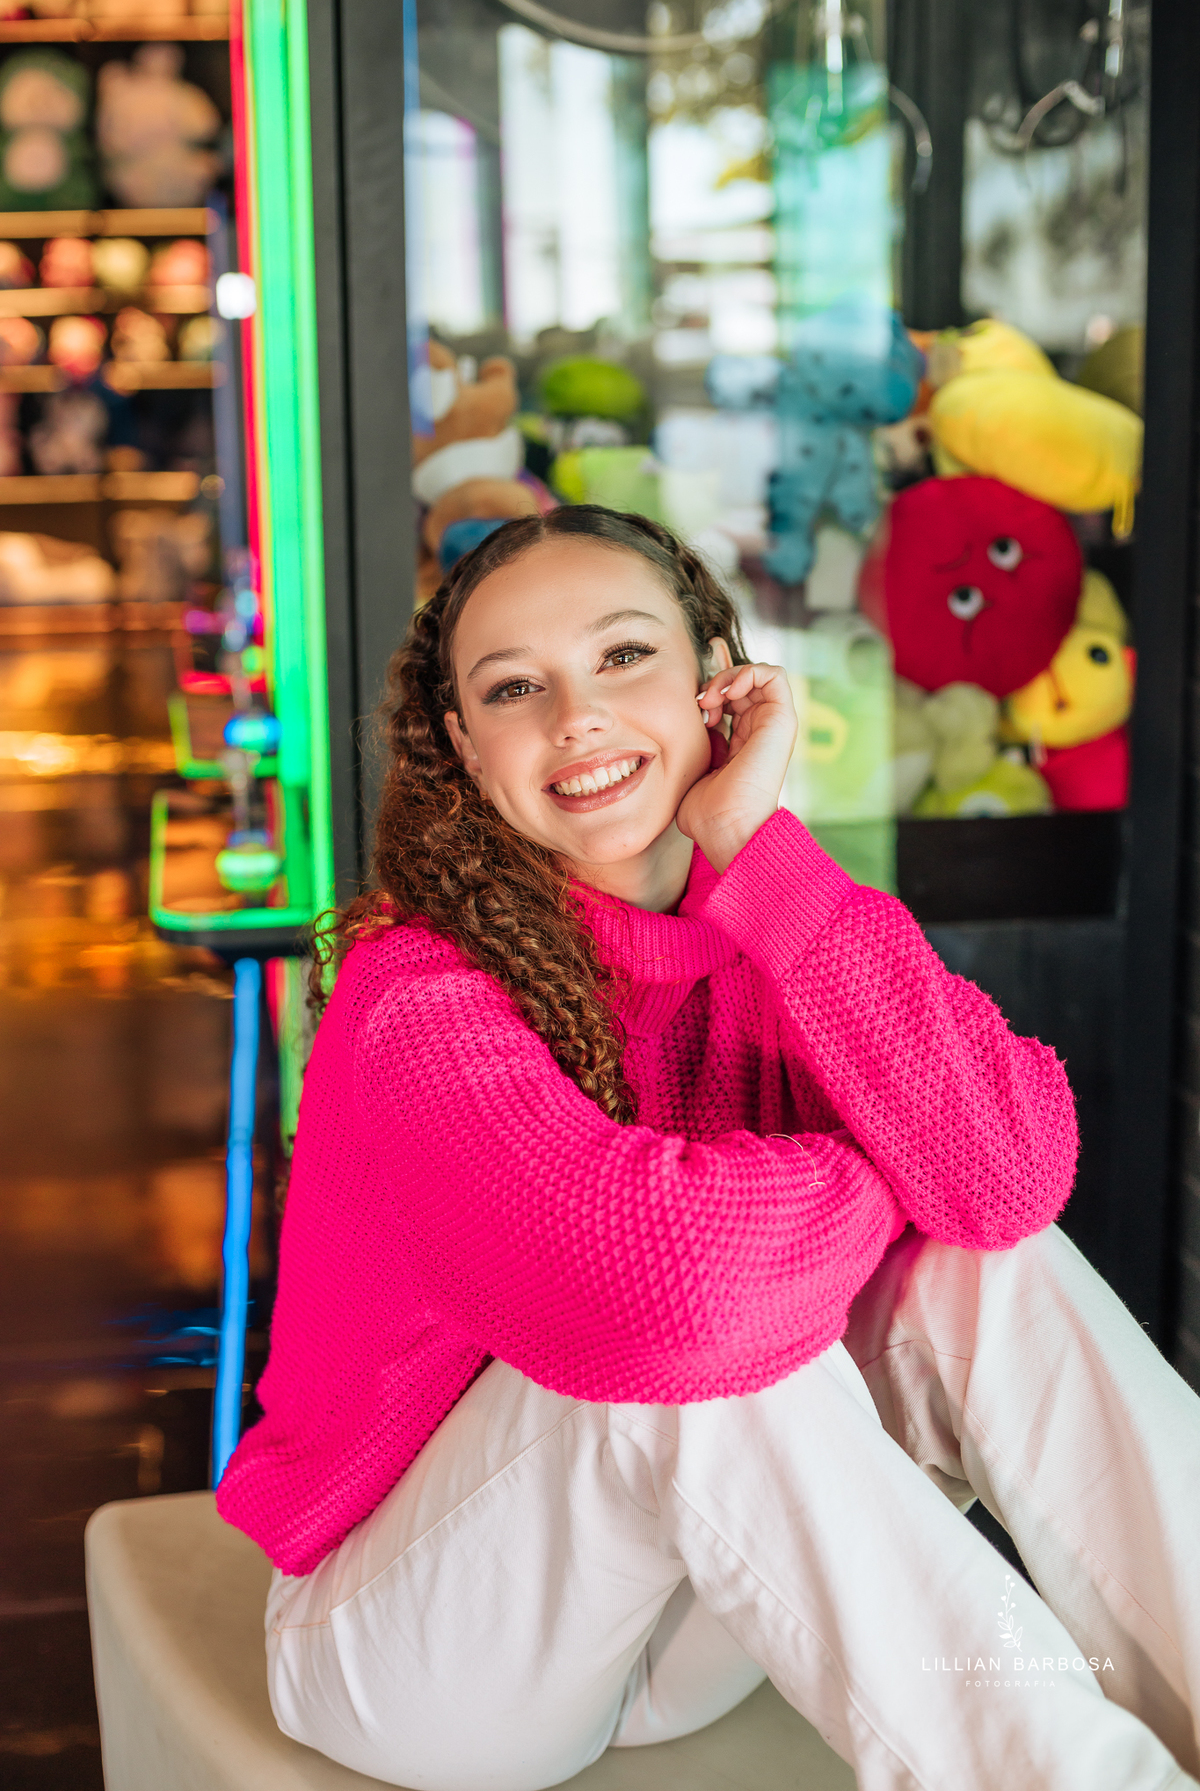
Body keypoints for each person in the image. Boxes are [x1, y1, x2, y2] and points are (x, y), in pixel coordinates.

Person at [216, 505, 1200, 1791]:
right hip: (418, 1647)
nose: (577, 717)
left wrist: (754, 845)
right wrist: (880, 1174)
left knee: (984, 1268)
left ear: (718, 680)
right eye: (514, 689)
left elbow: (1007, 1179)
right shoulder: (417, 995)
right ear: (464, 745)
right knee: (706, 1353)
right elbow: (658, 1294)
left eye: (624, 656)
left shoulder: (780, 916)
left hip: (675, 1606)